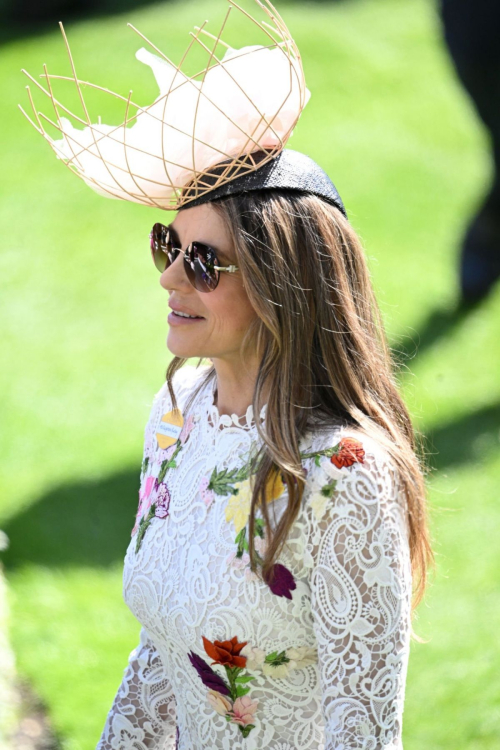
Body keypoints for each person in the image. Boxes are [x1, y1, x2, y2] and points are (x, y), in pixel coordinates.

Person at [21, 2, 433, 747]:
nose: (170, 278)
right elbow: (159, 654)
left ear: (283, 283)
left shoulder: (344, 473)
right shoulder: (178, 409)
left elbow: (363, 730)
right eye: (165, 246)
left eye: (203, 262)